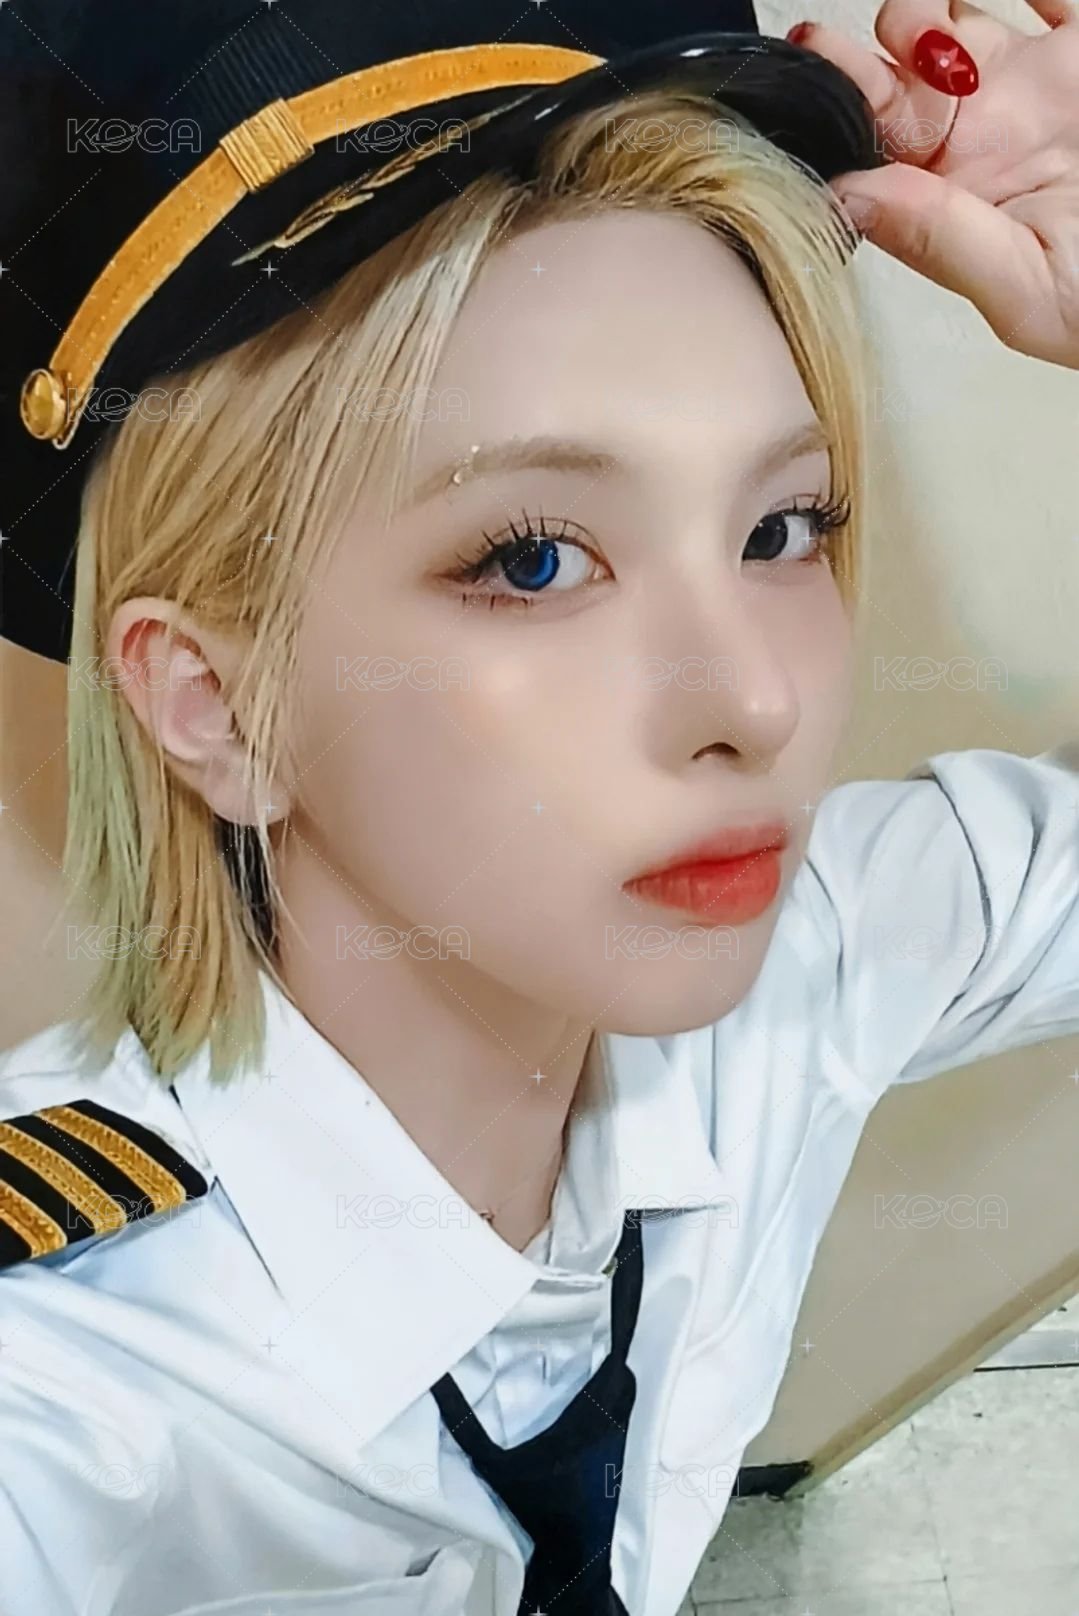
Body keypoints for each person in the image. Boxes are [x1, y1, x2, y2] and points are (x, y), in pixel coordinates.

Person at [0, 1, 1076, 1613]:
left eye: (783, 527)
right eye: (534, 559)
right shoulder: (66, 1385)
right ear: (218, 704)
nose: (756, 703)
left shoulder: (790, 975)